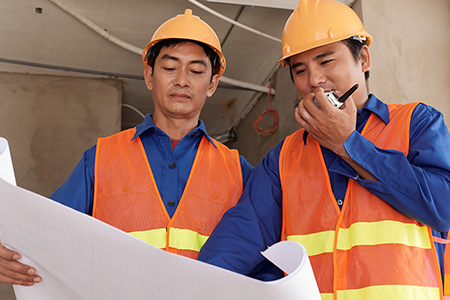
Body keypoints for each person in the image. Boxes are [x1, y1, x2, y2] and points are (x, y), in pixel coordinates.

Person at [198, 0, 450, 298]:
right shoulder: (282, 159)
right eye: (300, 70)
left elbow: (443, 207)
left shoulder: (416, 123)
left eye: (326, 61)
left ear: (364, 58)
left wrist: (347, 145)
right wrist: (194, 285)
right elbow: (238, 244)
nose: (314, 80)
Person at [0, 9, 253, 287]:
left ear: (212, 84)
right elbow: (47, 230)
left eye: (196, 70)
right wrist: (9, 253)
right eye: (169, 68)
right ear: (149, 76)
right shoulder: (100, 159)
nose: (182, 80)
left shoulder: (240, 173)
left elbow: (267, 256)